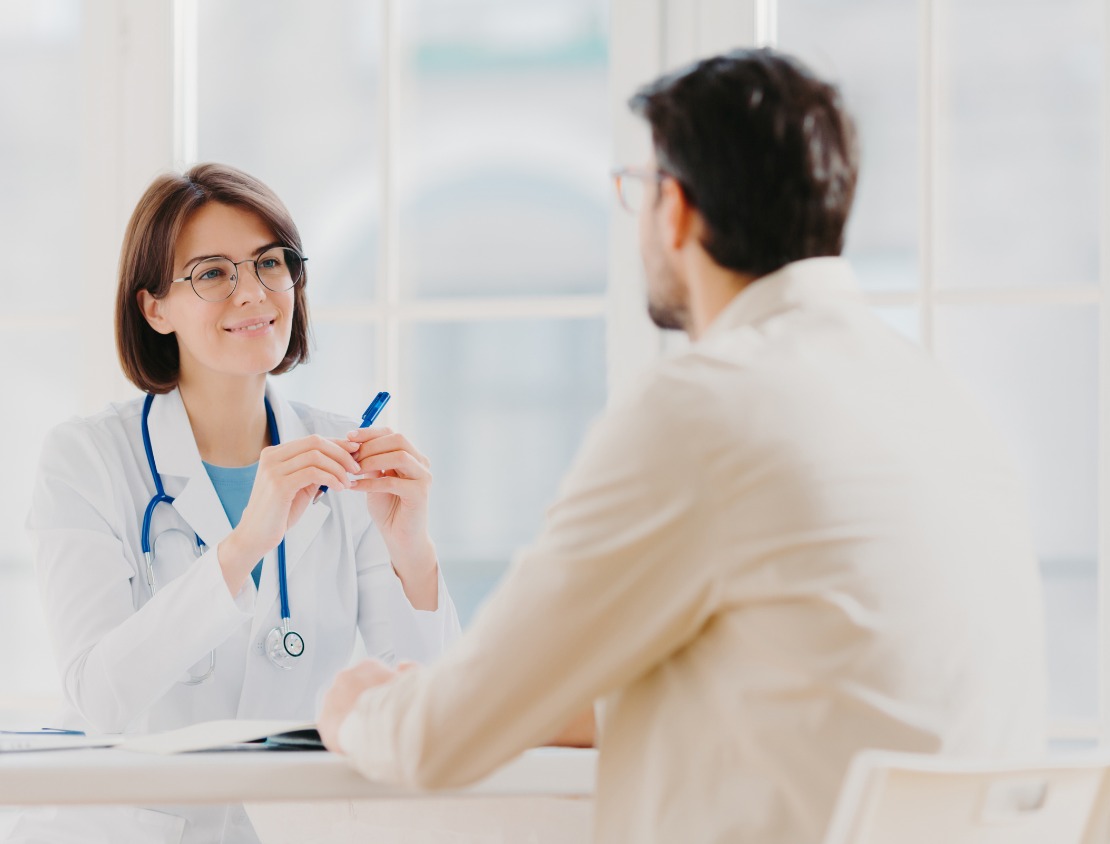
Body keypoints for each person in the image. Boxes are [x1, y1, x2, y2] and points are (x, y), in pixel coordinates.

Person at [316, 48, 1047, 844]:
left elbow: (440, 738)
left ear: (677, 210)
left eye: (639, 188)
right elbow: (805, 678)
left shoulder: (704, 406)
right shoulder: (936, 397)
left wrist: (357, 707)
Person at [17, 163, 460, 844]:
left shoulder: (346, 454)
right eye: (212, 273)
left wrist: (412, 554)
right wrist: (242, 545)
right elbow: (99, 697)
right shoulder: (87, 460)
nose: (253, 293)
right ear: (154, 308)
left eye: (269, 263)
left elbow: (432, 711)